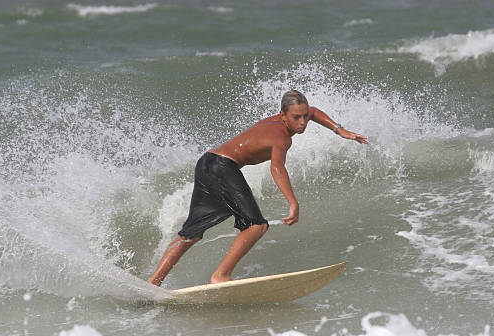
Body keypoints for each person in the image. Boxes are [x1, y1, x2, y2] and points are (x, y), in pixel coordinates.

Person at [148, 90, 367, 286]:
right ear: (283, 115)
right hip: (223, 167)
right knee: (257, 226)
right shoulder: (280, 136)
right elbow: (277, 167)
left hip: (207, 162)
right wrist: (292, 202)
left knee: (192, 233)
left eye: (304, 116)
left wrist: (340, 130)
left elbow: (315, 112)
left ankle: (153, 283)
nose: (302, 122)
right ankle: (220, 275)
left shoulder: (300, 116)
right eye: (296, 117)